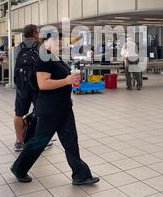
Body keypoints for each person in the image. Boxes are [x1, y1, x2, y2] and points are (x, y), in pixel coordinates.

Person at [10, 31, 100, 186]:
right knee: (39, 141)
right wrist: (67, 80)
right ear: (45, 41)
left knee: (71, 141)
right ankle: (19, 168)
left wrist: (70, 81)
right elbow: (43, 84)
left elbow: (61, 79)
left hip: (63, 107)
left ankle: (80, 175)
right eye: (55, 39)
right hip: (50, 109)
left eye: (60, 39)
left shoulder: (54, 57)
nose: (59, 42)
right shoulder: (43, 59)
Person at [13, 24, 52, 152]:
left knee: (19, 114)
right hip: (37, 85)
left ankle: (19, 141)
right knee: (41, 112)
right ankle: (40, 140)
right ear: (35, 33)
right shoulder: (41, 47)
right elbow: (46, 66)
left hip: (22, 85)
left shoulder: (18, 47)